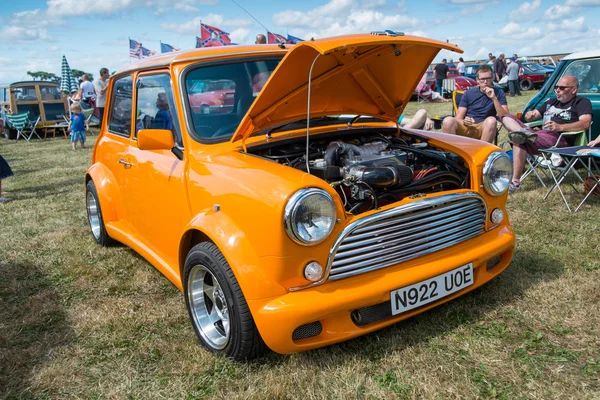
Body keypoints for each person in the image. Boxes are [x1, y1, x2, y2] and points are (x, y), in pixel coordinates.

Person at [501, 75, 593, 191]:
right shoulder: (551, 102)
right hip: (539, 135)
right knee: (506, 117)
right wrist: (530, 115)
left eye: (562, 88)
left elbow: (585, 123)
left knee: (519, 140)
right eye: (556, 87)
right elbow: (534, 115)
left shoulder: (581, 102)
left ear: (573, 90)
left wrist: (560, 127)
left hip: (559, 138)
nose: (557, 90)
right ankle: (523, 133)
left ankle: (515, 182)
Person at [442, 64, 508, 143]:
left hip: (484, 126)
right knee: (448, 121)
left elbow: (505, 116)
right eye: (482, 79)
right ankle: (453, 153)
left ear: (492, 78)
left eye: (488, 78)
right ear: (477, 80)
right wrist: (464, 121)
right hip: (467, 127)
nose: (485, 82)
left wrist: (494, 98)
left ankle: (482, 153)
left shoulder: (499, 93)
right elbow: (458, 118)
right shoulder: (468, 93)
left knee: (492, 120)